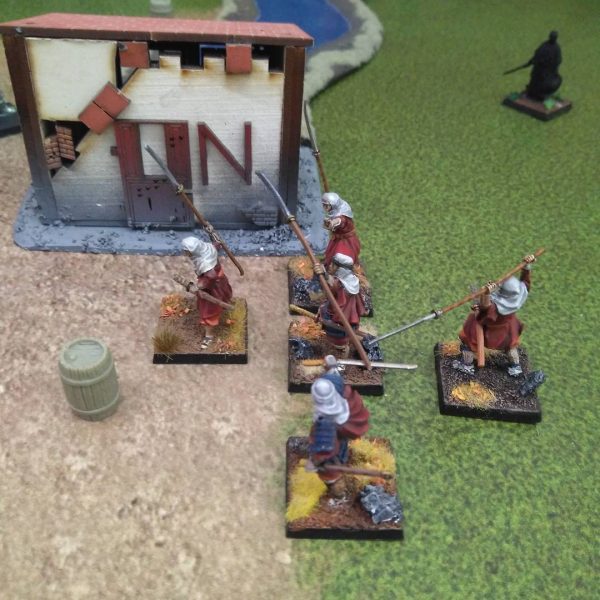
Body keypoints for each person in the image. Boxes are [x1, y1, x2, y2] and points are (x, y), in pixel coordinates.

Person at [454, 254, 536, 377]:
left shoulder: (496, 307)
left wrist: (486, 294)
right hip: (509, 328)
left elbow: (485, 308)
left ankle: (467, 365)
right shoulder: (519, 295)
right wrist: (527, 266)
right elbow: (525, 283)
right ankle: (515, 367)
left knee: (468, 340)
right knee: (510, 345)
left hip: (491, 331)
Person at [307, 356, 370, 498]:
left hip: (337, 432)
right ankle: (337, 474)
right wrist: (331, 367)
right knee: (341, 447)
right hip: (343, 425)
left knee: (333, 464)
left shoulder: (325, 421)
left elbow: (324, 447)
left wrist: (316, 461)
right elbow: (334, 379)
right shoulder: (335, 388)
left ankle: (336, 485)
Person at [181, 236, 233, 348]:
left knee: (208, 312)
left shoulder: (205, 263)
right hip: (220, 281)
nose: (185, 253)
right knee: (221, 300)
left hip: (212, 289)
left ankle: (209, 336)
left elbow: (211, 277)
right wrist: (215, 238)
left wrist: (198, 287)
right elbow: (216, 245)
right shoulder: (207, 249)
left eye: (186, 251)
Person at [314, 253, 367, 356]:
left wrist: (322, 275)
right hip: (346, 318)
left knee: (338, 342)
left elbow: (331, 287)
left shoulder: (342, 285)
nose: (330, 266)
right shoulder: (351, 281)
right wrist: (324, 274)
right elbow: (333, 283)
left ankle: (341, 351)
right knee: (324, 309)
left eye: (333, 265)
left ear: (340, 269)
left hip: (340, 319)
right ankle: (340, 346)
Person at [321, 192, 361, 268]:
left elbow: (340, 220)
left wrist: (332, 223)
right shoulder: (334, 211)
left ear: (333, 204)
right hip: (337, 240)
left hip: (346, 242)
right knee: (330, 255)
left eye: (326, 205)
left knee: (339, 257)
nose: (324, 207)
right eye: (323, 205)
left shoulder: (343, 217)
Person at [525, 30, 562, 101]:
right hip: (539, 67)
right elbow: (537, 53)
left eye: (554, 37)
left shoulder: (557, 48)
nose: (552, 38)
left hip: (548, 70)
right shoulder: (544, 44)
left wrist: (550, 64)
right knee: (534, 77)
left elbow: (558, 60)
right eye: (551, 36)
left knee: (545, 81)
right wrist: (532, 60)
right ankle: (531, 92)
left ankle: (541, 94)